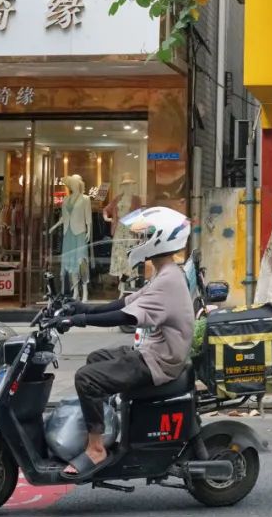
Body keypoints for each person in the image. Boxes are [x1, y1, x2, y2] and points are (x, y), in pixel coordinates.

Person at [53, 206, 194, 480]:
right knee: (96, 359)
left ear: (159, 239)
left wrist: (79, 321)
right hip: (152, 353)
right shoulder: (165, 273)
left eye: (144, 237)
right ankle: (106, 427)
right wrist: (82, 309)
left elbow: (124, 316)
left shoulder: (169, 280)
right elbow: (126, 301)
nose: (139, 243)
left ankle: (95, 448)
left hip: (158, 362)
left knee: (87, 378)